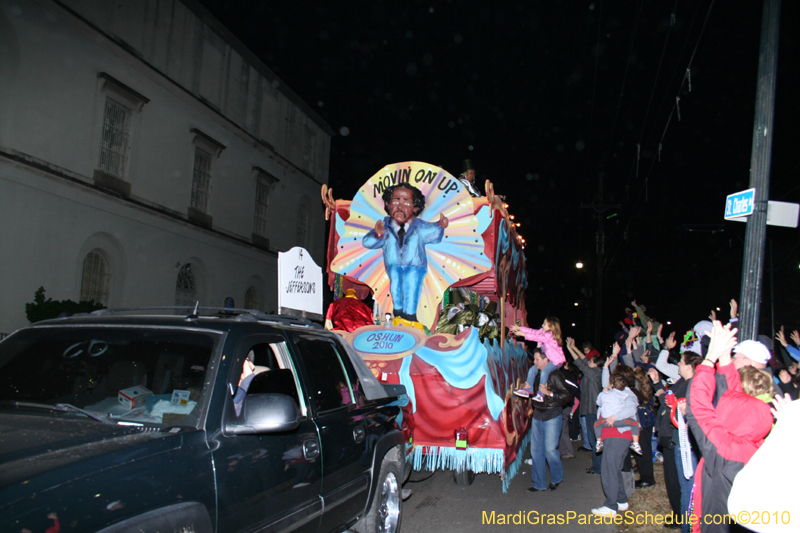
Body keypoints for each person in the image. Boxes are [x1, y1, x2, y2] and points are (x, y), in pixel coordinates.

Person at [686, 321, 774, 533]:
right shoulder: (760, 446)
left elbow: (699, 407)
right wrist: (725, 358)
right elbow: (735, 396)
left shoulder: (723, 447)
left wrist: (709, 360)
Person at [362, 183, 448, 323]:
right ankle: (398, 311)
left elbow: (433, 235)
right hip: (394, 264)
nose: (399, 206)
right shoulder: (385, 226)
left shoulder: (420, 226)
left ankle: (411, 315)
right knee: (395, 287)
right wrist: (377, 235)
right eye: (395, 201)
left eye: (406, 201)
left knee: (412, 288)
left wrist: (439, 225)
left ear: (415, 207)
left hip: (415, 266)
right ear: (388, 205)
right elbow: (367, 242)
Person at [525, 348, 572, 493]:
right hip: (538, 415)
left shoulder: (555, 375)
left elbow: (567, 396)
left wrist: (549, 393)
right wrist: (527, 390)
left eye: (537, 359)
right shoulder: (536, 374)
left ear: (546, 360)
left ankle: (557, 478)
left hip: (552, 415)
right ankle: (539, 483)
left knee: (550, 450)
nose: (535, 362)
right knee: (536, 451)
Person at [565, 336, 605, 474]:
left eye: (591, 361)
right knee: (595, 438)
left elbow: (580, 362)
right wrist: (573, 347)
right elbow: (584, 360)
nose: (588, 361)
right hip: (591, 409)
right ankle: (598, 465)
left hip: (592, 410)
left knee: (595, 439)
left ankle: (598, 467)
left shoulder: (594, 373)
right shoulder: (594, 372)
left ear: (596, 364)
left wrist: (571, 348)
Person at [509, 317, 565, 401]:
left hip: (556, 361)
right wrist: (520, 328)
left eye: (545, 324)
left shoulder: (550, 334)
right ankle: (528, 389)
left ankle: (541, 394)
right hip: (549, 359)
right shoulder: (543, 331)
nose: (542, 325)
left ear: (551, 327)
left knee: (544, 371)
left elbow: (538, 338)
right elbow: (533, 332)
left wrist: (523, 334)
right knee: (532, 370)